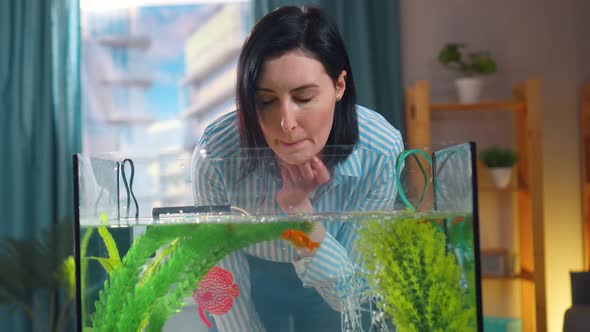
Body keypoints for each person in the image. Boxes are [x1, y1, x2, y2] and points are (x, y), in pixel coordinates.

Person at [191, 5, 404, 331]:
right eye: (266, 101)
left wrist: (301, 218)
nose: (286, 123)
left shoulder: (380, 151)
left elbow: (352, 293)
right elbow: (224, 284)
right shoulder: (216, 154)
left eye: (303, 97)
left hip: (332, 277)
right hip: (250, 280)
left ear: (339, 86)